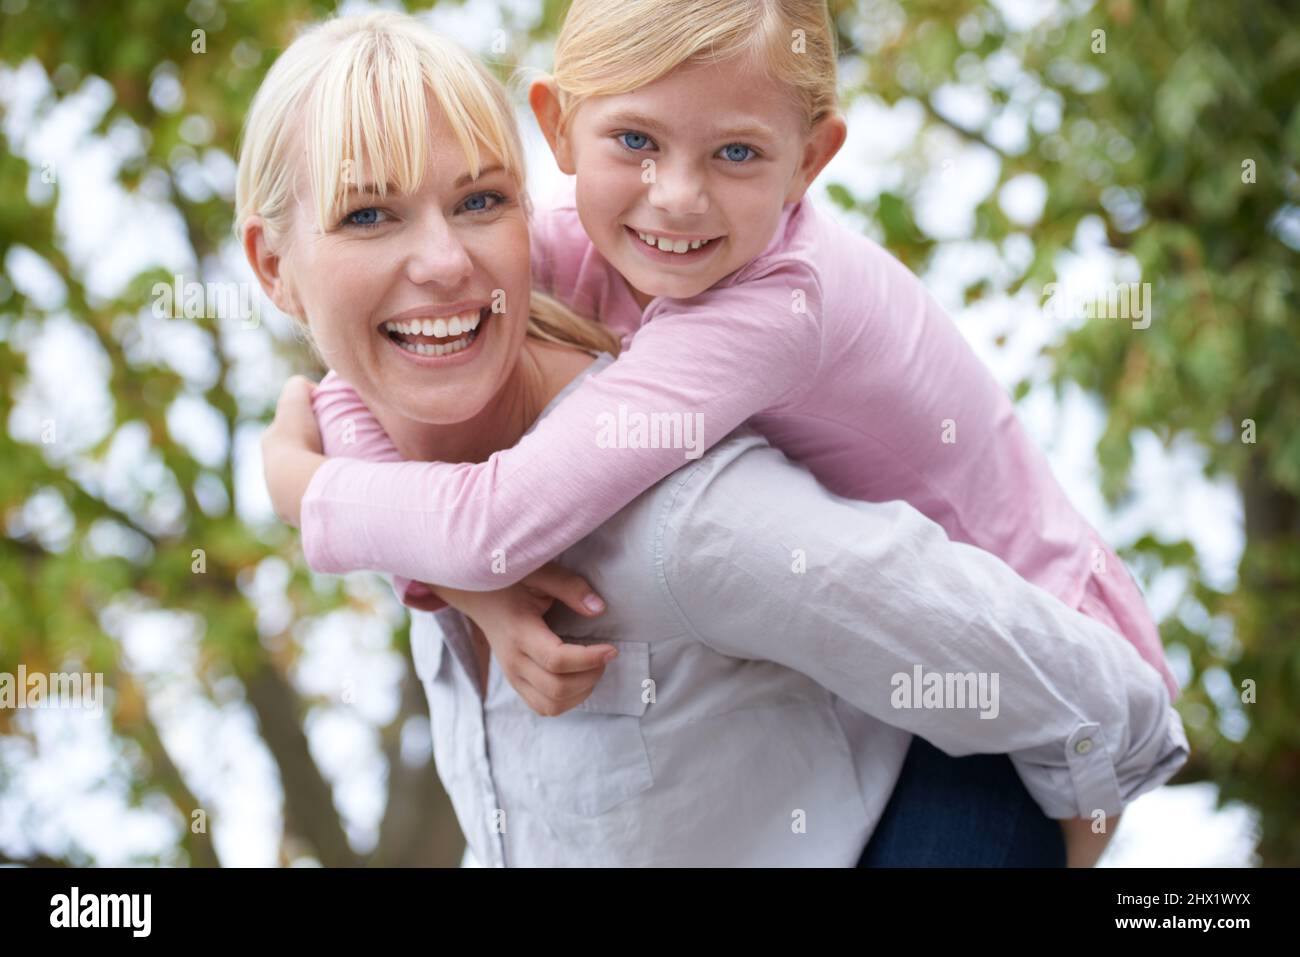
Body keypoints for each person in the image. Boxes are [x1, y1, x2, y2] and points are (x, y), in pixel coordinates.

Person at [245, 12, 1187, 866]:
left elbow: (494, 522)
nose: (679, 197)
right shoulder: (567, 249)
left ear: (810, 161)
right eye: (367, 215)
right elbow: (342, 393)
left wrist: (303, 491)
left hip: (1035, 651)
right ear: (560, 131)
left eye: (736, 151)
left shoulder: (756, 341)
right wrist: (453, 582)